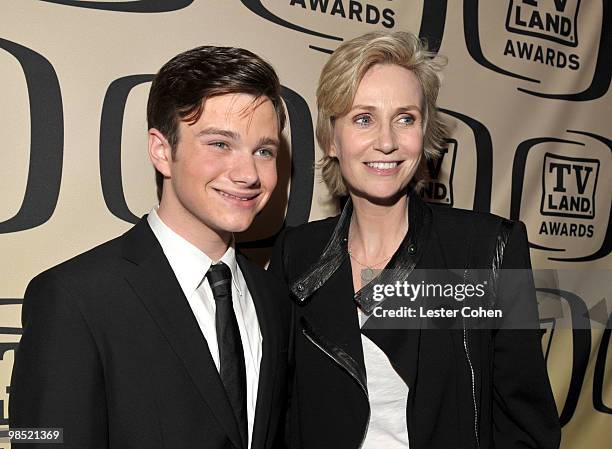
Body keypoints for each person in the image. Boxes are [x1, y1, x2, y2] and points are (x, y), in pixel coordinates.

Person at [269, 31, 561, 449]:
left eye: (405, 118)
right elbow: (279, 417)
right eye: (363, 118)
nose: (386, 141)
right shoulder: (295, 255)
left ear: (424, 133)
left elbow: (527, 429)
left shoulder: (491, 249)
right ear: (331, 139)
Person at [10, 46, 290, 449]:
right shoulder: (73, 297)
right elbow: (39, 440)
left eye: (263, 151)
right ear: (162, 150)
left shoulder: (273, 299)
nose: (248, 173)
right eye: (219, 144)